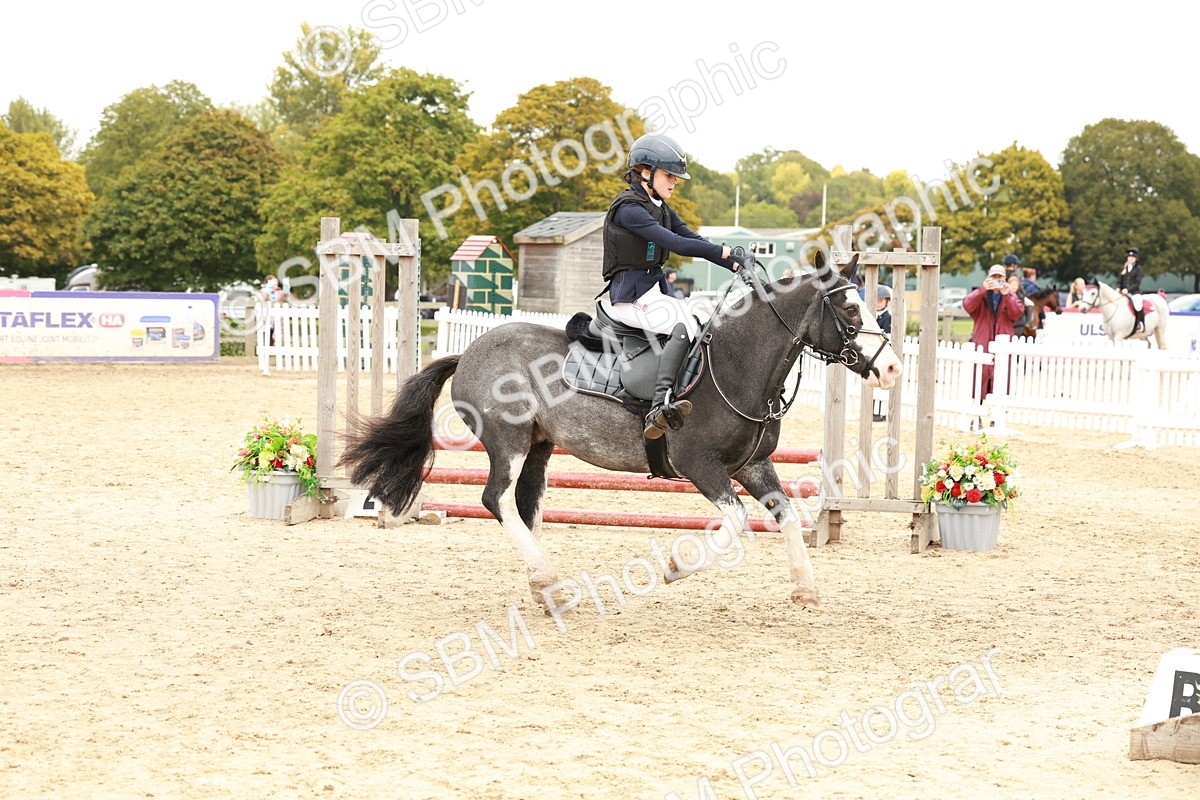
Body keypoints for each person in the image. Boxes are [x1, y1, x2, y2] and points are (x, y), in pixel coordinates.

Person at [602, 132, 740, 439]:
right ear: (646, 172)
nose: (675, 182)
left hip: (652, 292)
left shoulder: (660, 206)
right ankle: (657, 406)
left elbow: (691, 236)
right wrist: (724, 253)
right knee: (682, 325)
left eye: (676, 178)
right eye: (669, 175)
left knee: (702, 322)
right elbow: (675, 244)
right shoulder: (629, 208)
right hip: (628, 298)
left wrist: (730, 262)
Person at [962, 264, 1023, 400]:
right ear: (988, 278)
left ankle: (996, 417)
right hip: (982, 343)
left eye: (999, 277)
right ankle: (976, 414)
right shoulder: (981, 295)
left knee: (1001, 379)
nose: (996, 280)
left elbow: (1017, 313)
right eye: (993, 277)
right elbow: (967, 304)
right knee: (979, 379)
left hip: (1002, 345)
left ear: (1005, 279)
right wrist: (982, 290)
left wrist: (1007, 295)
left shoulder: (1010, 296)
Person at [872, 286, 892, 422]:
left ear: (887, 302)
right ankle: (872, 409)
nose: (878, 303)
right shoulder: (871, 317)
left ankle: (881, 412)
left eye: (881, 300)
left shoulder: (888, 318)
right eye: (876, 300)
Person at [1119, 247, 1145, 332]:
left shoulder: (1139, 269)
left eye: (1132, 257)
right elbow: (1120, 280)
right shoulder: (1124, 267)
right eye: (1129, 257)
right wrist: (1119, 288)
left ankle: (1140, 323)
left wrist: (1128, 289)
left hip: (1135, 292)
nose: (1130, 259)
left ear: (1136, 259)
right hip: (1123, 292)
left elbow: (1137, 283)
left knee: (1137, 305)